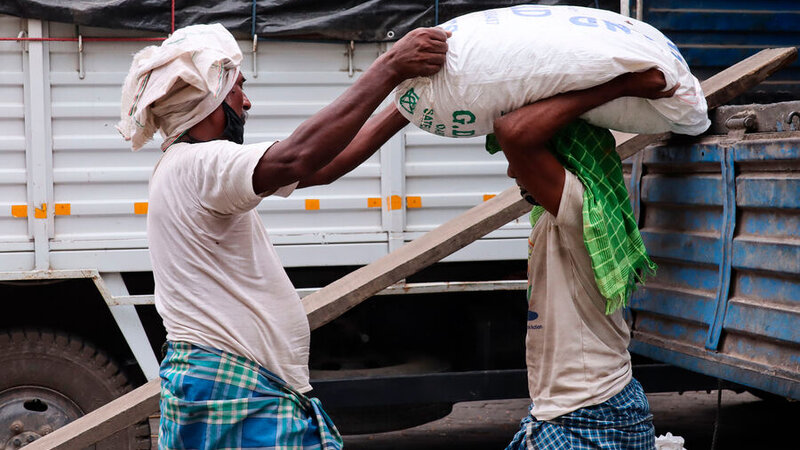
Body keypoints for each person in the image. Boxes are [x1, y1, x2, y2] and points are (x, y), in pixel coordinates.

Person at [116, 23, 448, 449]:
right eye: (237, 88)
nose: (247, 101)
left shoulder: (190, 167)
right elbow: (298, 156)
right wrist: (390, 67)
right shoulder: (201, 164)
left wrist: (406, 108)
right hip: (237, 386)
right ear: (209, 101)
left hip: (239, 383)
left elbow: (323, 166)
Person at [488, 69, 679, 449]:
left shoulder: (582, 212)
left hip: (588, 411)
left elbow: (511, 132)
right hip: (583, 406)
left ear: (565, 160)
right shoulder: (558, 216)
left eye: (520, 162)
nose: (512, 171)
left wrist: (622, 86)